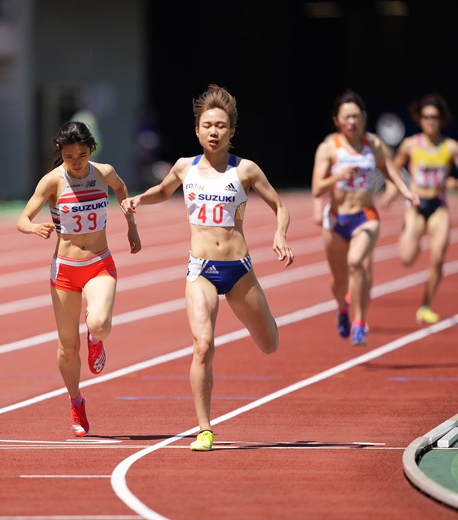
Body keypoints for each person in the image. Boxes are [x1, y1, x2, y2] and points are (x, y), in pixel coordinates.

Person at [121, 85, 294, 451]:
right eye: (207, 125)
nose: (214, 132)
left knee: (271, 345)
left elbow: (280, 205)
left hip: (240, 269)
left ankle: (262, 331)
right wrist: (138, 199)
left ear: (232, 131)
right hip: (200, 270)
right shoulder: (185, 167)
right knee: (203, 345)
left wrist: (280, 233)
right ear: (197, 131)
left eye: (221, 125)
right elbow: (163, 191)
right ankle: (204, 428)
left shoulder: (245, 169)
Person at [17, 121, 141, 437]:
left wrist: (131, 227)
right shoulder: (51, 182)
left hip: (99, 262)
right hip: (65, 270)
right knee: (68, 347)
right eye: (70, 155)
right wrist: (34, 228)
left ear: (91, 151)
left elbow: (122, 190)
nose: (76, 161)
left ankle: (96, 340)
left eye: (82, 155)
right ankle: (77, 401)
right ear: (60, 151)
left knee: (99, 322)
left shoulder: (104, 173)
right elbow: (23, 218)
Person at [311, 89, 418, 346]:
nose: (352, 121)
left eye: (356, 116)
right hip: (337, 220)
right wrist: (339, 176)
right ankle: (342, 309)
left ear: (364, 118)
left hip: (366, 217)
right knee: (338, 280)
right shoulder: (328, 148)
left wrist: (406, 192)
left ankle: (360, 323)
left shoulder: (374, 145)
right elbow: (316, 189)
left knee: (357, 263)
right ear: (337, 120)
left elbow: (390, 170)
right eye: (346, 117)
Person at [380, 93, 458, 324]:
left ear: (442, 119)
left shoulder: (450, 147)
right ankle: (408, 233)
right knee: (407, 258)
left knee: (438, 256)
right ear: (419, 119)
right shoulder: (411, 144)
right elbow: (394, 170)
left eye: (434, 117)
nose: (430, 121)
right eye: (426, 117)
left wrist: (454, 182)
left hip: (438, 206)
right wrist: (391, 193)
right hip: (415, 206)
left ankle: (425, 306)